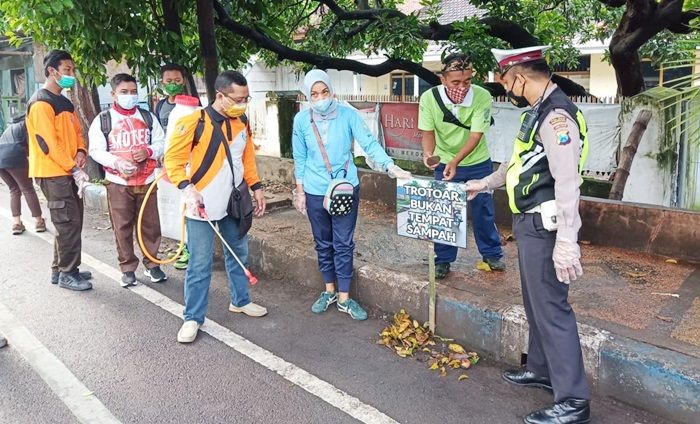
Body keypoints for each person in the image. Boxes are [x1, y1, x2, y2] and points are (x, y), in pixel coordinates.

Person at [465, 46, 590, 424]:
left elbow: (568, 182)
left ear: (520, 74)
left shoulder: (557, 118)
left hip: (546, 224)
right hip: (528, 222)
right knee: (535, 302)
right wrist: (485, 183)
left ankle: (573, 400)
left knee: (552, 308)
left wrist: (568, 241)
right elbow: (516, 163)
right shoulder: (536, 112)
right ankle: (540, 368)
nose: (505, 86)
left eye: (505, 79)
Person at [292, 69, 411, 321]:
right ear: (307, 96)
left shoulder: (348, 115)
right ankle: (329, 291)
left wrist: (390, 166)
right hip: (314, 190)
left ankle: (345, 297)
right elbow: (299, 158)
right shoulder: (301, 121)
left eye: (324, 91)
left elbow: (369, 143)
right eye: (314, 94)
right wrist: (300, 192)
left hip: (345, 188)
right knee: (323, 242)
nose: (321, 97)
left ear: (332, 91)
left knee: (343, 243)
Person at [165, 70, 267, 343]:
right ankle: (192, 317)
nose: (243, 103)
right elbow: (172, 162)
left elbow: (247, 161)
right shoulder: (193, 122)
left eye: (246, 98)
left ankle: (241, 300)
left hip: (234, 203)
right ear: (220, 96)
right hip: (202, 207)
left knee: (238, 254)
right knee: (199, 264)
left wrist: (256, 188)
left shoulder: (242, 122)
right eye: (238, 98)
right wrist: (188, 190)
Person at [418, 52, 504, 279]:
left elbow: (475, 136)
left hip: (477, 163)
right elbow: (427, 133)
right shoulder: (429, 98)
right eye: (455, 81)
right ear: (442, 79)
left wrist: (456, 161)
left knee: (483, 210)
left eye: (467, 80)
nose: (462, 86)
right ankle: (443, 259)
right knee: (445, 213)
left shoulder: (482, 96)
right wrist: (429, 155)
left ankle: (491, 253)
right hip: (444, 163)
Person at [88, 73, 167, 287]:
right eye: (124, 92)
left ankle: (152, 264)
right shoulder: (103, 120)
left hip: (147, 180)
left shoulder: (148, 117)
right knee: (122, 226)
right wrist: (116, 163)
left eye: (133, 92)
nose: (129, 96)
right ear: (113, 94)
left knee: (150, 225)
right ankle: (128, 268)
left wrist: (148, 150)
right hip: (119, 182)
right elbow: (95, 150)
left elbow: (161, 142)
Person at [26, 49, 93, 291]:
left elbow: (76, 133)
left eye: (73, 70)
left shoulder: (65, 102)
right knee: (68, 223)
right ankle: (68, 273)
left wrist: (81, 152)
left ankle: (61, 269)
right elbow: (47, 144)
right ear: (52, 71)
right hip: (53, 172)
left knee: (70, 222)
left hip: (69, 170)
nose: (71, 75)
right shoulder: (41, 103)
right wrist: (71, 167)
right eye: (67, 70)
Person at [155, 63, 195, 271]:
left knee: (187, 206)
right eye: (168, 81)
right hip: (166, 166)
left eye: (177, 81)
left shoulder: (192, 108)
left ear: (184, 81)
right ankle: (182, 245)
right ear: (162, 82)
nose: (173, 85)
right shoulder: (160, 106)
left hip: (186, 166)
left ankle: (190, 249)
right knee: (174, 209)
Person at [0, 115, 46, 234]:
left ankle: (16, 223)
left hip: (1, 159)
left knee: (14, 189)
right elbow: (34, 146)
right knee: (27, 189)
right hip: (15, 155)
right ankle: (39, 221)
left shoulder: (11, 127)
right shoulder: (27, 124)